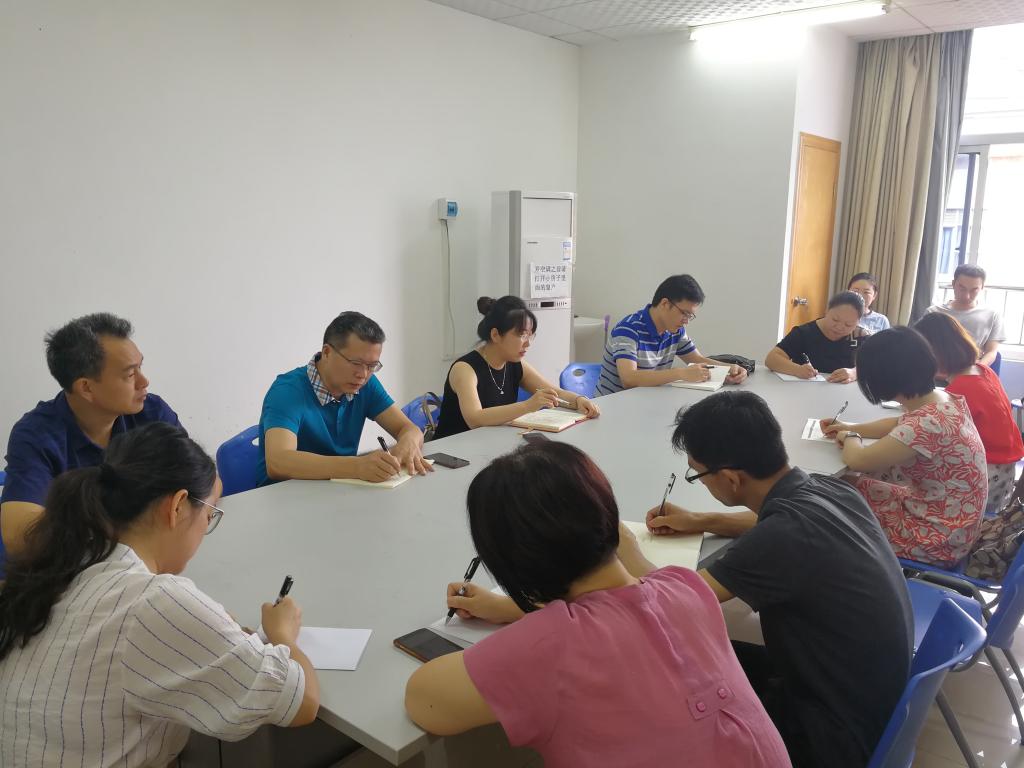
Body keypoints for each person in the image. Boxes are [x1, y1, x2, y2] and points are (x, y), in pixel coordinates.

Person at [405, 442, 790, 768]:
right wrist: (513, 609)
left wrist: (526, 618)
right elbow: (626, 602)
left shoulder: (549, 647)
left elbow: (426, 700)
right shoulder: (685, 587)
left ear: (511, 563)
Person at [0, 423, 320, 767]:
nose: (206, 528)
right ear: (178, 506)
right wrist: (282, 635)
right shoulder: (151, 602)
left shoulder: (68, 561)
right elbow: (302, 703)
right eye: (209, 514)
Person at [643, 390, 912, 768]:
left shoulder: (782, 538)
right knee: (704, 654)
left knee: (666, 662)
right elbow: (769, 520)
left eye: (698, 474)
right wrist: (699, 520)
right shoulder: (830, 488)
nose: (700, 483)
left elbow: (670, 602)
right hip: (868, 701)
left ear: (731, 479)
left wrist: (622, 545)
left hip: (830, 737)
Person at [1, 312, 181, 564]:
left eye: (140, 367)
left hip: (137, 561)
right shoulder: (36, 434)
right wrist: (125, 536)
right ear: (86, 387)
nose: (144, 381)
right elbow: (19, 535)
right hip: (60, 572)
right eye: (130, 374)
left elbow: (205, 481)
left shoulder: (151, 413)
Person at [821, 327, 987, 566]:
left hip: (937, 539)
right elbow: (899, 423)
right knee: (847, 486)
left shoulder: (926, 424)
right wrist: (849, 426)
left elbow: (859, 460)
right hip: (954, 521)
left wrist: (850, 436)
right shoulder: (943, 399)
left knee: (835, 496)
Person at [258, 311, 430, 485]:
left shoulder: (365, 384)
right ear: (327, 352)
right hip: (286, 494)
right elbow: (278, 462)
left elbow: (408, 428)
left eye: (372, 366)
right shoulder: (287, 391)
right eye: (356, 363)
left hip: (340, 489)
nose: (363, 374)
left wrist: (408, 442)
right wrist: (357, 467)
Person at [433, 296, 600, 440]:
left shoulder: (515, 364)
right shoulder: (465, 369)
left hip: (489, 443)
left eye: (530, 335)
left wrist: (579, 400)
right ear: (495, 335)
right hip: (452, 451)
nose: (528, 343)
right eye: (521, 335)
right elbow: (475, 419)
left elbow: (554, 392)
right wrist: (527, 406)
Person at [913, 312, 1023, 512]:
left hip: (987, 474)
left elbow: (934, 436)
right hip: (1006, 472)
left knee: (909, 468)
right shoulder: (984, 370)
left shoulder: (958, 392)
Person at [595, 274, 748, 396]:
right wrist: (680, 373)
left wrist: (730, 369)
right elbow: (629, 379)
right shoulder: (628, 329)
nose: (686, 321)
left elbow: (697, 359)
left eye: (690, 316)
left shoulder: (675, 330)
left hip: (646, 401)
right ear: (665, 304)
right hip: (612, 407)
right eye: (684, 313)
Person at [765, 291, 868, 383]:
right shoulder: (804, 333)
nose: (839, 327)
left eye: (848, 324)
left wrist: (854, 373)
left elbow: (875, 366)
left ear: (858, 322)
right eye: (835, 320)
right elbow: (771, 359)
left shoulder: (862, 336)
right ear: (827, 311)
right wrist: (797, 369)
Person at [926, 264, 1005, 366]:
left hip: (974, 368)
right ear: (953, 284)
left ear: (982, 287)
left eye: (974, 290)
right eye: (962, 288)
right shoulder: (933, 313)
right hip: (939, 369)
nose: (967, 296)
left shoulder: (992, 315)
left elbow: (991, 352)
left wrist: (976, 369)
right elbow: (925, 349)